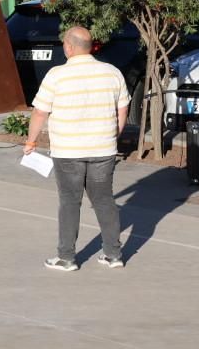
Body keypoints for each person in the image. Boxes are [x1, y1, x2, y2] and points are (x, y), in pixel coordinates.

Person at [25, 25, 130, 271]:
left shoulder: (56, 75)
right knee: (104, 200)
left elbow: (40, 112)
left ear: (69, 47)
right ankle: (113, 255)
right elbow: (122, 109)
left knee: (70, 202)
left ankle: (66, 257)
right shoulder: (112, 72)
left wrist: (31, 141)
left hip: (68, 151)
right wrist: (113, 136)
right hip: (103, 149)